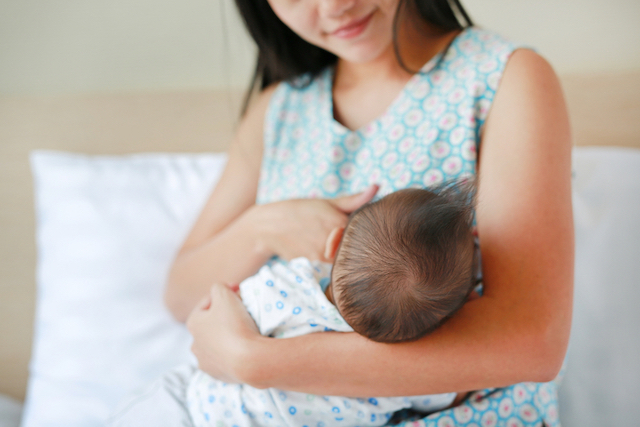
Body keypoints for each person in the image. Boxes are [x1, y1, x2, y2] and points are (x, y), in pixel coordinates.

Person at [167, 0, 574, 425]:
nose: (336, 6)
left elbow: (532, 344)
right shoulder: (278, 113)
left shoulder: (502, 77)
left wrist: (257, 363)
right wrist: (265, 227)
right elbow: (180, 295)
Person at [109, 186, 477, 426]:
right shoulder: (406, 377)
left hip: (188, 411)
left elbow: (219, 305)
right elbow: (458, 388)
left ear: (333, 246)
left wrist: (224, 295)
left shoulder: (286, 284)